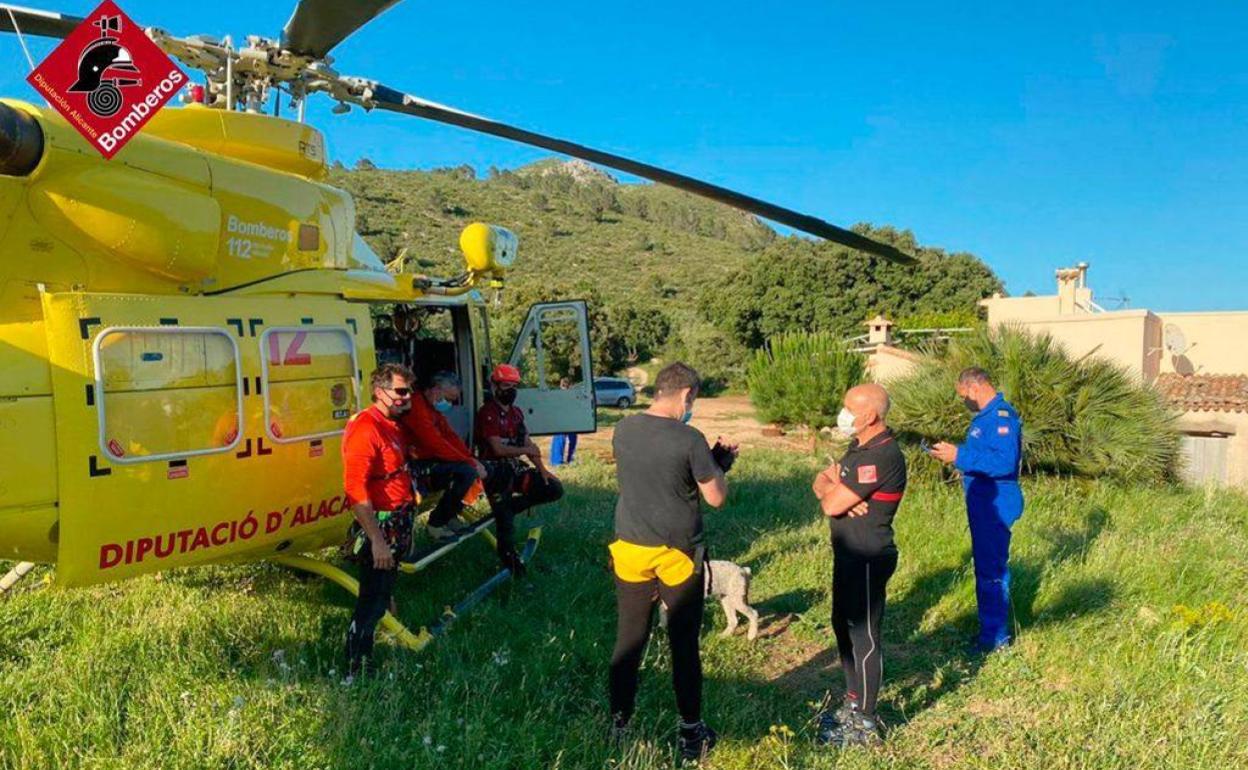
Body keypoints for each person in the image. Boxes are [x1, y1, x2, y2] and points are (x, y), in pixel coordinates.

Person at [607, 362, 738, 762]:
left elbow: (656, 474)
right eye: (692, 400)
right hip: (676, 555)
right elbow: (715, 497)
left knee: (629, 639)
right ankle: (690, 733)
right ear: (686, 395)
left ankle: (618, 724)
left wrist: (702, 462)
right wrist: (718, 463)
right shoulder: (690, 438)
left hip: (629, 547)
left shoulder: (623, 429)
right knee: (683, 644)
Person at [811, 383, 906, 747]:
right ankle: (853, 702)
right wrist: (834, 489)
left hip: (868, 555)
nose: (844, 413)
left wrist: (838, 495)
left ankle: (866, 723)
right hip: (848, 552)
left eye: (850, 408)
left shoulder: (881, 454)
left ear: (870, 416)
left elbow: (831, 505)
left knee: (864, 636)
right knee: (842, 624)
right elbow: (822, 483)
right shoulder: (860, 447)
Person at [929, 367, 1023, 653]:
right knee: (985, 567)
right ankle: (989, 631)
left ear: (974, 388)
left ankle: (996, 639)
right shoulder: (984, 418)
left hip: (995, 505)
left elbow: (1004, 463)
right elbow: (983, 457)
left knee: (991, 570)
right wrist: (958, 456)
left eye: (963, 396)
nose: (964, 402)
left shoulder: (1001, 417)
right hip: (983, 503)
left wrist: (959, 455)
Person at [341, 364, 417, 675]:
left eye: (409, 391)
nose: (407, 397)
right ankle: (356, 666)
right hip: (381, 525)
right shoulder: (366, 428)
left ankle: (371, 644)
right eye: (401, 391)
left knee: (383, 590)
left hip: (398, 520)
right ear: (379, 392)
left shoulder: (392, 424)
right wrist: (377, 541)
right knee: (370, 600)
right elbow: (355, 490)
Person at [474, 363, 565, 574]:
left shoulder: (516, 413)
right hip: (495, 471)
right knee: (505, 522)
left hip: (515, 468)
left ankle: (512, 506)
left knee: (554, 488)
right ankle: (509, 560)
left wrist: (542, 470)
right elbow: (497, 449)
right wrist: (525, 449)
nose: (511, 391)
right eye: (506, 386)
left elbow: (528, 443)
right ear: (495, 386)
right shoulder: (488, 413)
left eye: (514, 386)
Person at [399, 370, 488, 542]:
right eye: (447, 399)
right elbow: (435, 443)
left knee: (477, 468)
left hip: (428, 460)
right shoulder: (416, 406)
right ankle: (436, 523)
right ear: (436, 389)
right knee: (466, 472)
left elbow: (450, 436)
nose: (448, 403)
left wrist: (472, 458)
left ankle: (450, 513)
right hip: (414, 465)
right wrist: (470, 462)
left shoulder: (432, 409)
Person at [549, 377, 579, 466]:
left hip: (565, 420)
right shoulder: (566, 395)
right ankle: (560, 461)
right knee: (561, 439)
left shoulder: (559, 395)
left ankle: (558, 461)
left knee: (561, 439)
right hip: (566, 420)